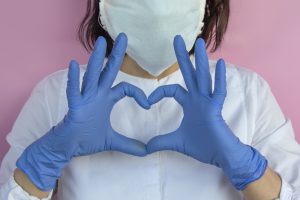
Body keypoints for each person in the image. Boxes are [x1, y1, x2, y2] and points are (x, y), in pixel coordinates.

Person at [0, 0, 300, 199]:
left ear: (207, 5)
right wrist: (44, 160)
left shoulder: (248, 93)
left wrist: (248, 169)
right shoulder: (59, 94)